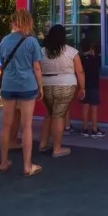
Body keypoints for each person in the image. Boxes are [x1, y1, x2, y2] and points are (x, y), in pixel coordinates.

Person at [0, 8, 44, 176]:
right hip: (27, 85)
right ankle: (27, 165)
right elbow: (37, 67)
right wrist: (41, 87)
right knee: (27, 126)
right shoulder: (32, 42)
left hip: (8, 85)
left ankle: (3, 162)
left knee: (6, 125)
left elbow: (0, 62)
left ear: (13, 22)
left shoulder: (4, 41)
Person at [38, 24, 85, 157]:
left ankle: (43, 144)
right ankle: (57, 148)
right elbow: (80, 71)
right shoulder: (72, 52)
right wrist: (83, 87)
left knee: (49, 114)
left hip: (46, 84)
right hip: (66, 85)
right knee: (58, 116)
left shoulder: (42, 51)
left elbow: (37, 69)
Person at [77, 40, 104, 138]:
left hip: (83, 85)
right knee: (94, 107)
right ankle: (94, 129)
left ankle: (84, 128)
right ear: (91, 49)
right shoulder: (95, 59)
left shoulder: (80, 59)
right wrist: (93, 55)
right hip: (93, 85)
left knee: (85, 106)